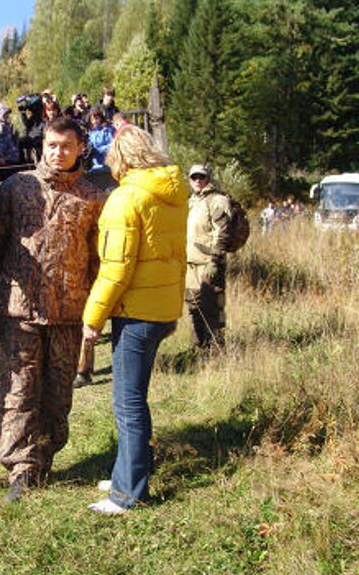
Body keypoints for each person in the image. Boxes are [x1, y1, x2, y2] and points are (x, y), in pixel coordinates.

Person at [0, 117, 107, 503]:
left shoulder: (94, 198)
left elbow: (100, 261)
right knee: (19, 391)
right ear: (41, 146)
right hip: (19, 308)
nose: (58, 152)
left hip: (69, 311)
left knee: (57, 394)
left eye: (66, 145)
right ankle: (22, 469)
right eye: (51, 145)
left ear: (80, 148)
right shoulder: (16, 188)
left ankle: (44, 457)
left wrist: (101, 308)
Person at [82, 125, 187, 514]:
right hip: (162, 309)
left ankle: (128, 493)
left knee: (127, 403)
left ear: (118, 160)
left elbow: (115, 269)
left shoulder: (125, 200)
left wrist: (92, 318)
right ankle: (131, 469)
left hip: (136, 313)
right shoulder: (172, 195)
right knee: (135, 398)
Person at [185, 164, 229, 351]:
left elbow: (223, 233)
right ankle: (198, 347)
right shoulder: (191, 201)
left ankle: (216, 348)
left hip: (208, 263)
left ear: (208, 179)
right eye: (194, 177)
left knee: (212, 307)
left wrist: (215, 261)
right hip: (190, 264)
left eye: (201, 177)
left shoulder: (217, 200)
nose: (198, 181)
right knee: (194, 307)